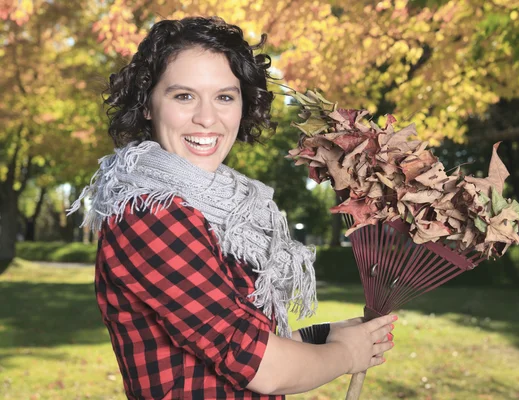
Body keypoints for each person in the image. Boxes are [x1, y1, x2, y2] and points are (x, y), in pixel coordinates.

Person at [68, 16, 396, 399]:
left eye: (224, 96)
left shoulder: (226, 209)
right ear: (146, 106)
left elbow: (224, 347)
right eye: (183, 96)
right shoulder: (150, 212)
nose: (207, 118)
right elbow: (261, 367)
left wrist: (325, 337)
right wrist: (345, 356)